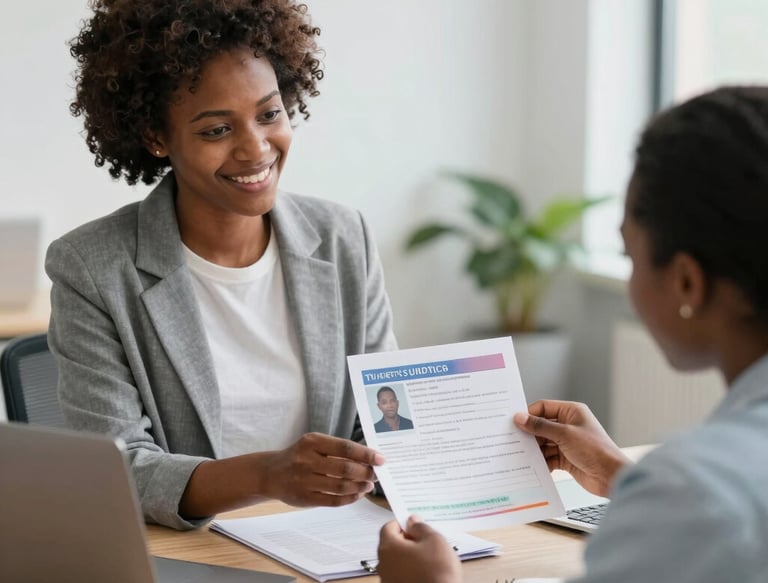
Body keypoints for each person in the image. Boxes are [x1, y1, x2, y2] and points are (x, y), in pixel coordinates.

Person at [376, 85, 768, 583]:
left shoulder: (697, 489)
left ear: (687, 280)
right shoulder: (698, 493)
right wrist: (618, 474)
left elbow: (705, 517)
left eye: (629, 255)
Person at [45, 0, 396, 531]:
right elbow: (119, 469)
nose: (256, 149)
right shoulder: (92, 268)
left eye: (269, 113)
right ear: (156, 138)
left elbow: (384, 422)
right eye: (216, 131)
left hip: (335, 549)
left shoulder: (344, 237)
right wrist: (268, 475)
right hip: (190, 558)